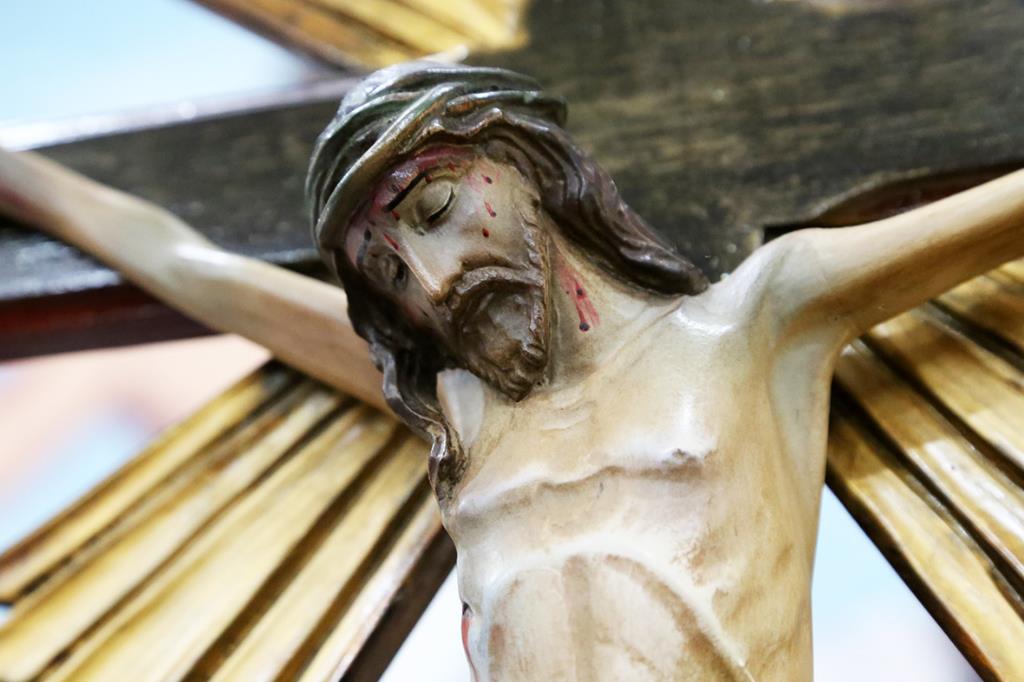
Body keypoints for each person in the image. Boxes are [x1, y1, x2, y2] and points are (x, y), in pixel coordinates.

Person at [3, 61, 1023, 680]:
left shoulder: (757, 321)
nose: (434, 283)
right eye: (389, 273)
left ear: (527, 164)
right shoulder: (462, 415)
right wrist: (26, 183)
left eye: (438, 209)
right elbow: (197, 272)